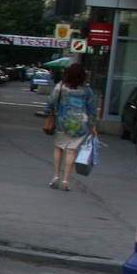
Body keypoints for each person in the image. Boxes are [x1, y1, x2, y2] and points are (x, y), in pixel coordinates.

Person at [48, 61, 97, 190]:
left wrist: (48, 111)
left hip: (62, 122)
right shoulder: (87, 90)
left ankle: (56, 176)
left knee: (59, 148)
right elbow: (92, 109)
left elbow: (51, 100)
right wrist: (94, 126)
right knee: (71, 151)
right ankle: (66, 181)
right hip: (80, 125)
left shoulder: (61, 86)